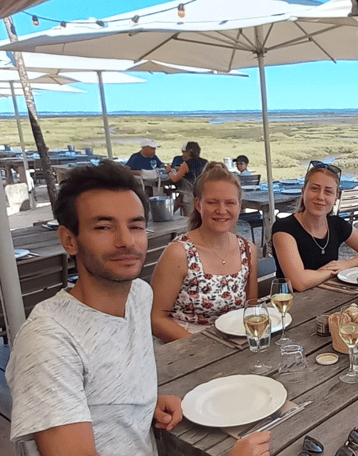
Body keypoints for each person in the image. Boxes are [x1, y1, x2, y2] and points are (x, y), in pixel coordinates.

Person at [6, 160, 270, 456]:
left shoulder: (139, 296)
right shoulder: (49, 341)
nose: (125, 241)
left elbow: (106, 392)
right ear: (69, 240)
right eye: (104, 227)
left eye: (135, 226)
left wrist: (145, 400)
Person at [151, 162, 259, 342]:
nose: (222, 210)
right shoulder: (179, 252)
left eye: (230, 203)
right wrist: (204, 347)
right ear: (198, 205)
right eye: (212, 202)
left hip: (233, 346)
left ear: (239, 206)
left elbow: (251, 308)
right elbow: (156, 319)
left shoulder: (248, 250)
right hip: (185, 349)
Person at [271, 160, 358, 291]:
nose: (320, 197)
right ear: (303, 191)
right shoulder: (284, 228)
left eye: (328, 192)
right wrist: (331, 270)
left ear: (335, 198)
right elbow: (299, 282)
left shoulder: (336, 224)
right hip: (293, 304)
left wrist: (345, 264)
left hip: (327, 298)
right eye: (315, 189)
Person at [165, 141, 208, 215]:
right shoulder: (205, 162)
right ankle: (169, 213)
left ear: (188, 152)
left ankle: (168, 214)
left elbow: (175, 178)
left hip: (189, 194)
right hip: (202, 192)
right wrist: (179, 168)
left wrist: (169, 172)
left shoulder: (187, 163)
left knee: (188, 217)